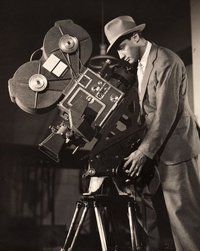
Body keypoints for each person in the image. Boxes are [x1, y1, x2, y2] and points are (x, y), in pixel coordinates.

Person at [104, 15, 200, 251]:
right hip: (154, 153)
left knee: (184, 224)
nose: (120, 55)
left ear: (136, 37)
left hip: (176, 151)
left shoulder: (166, 60)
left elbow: (165, 114)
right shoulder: (139, 65)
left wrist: (142, 152)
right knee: (155, 222)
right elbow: (146, 112)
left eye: (122, 46)